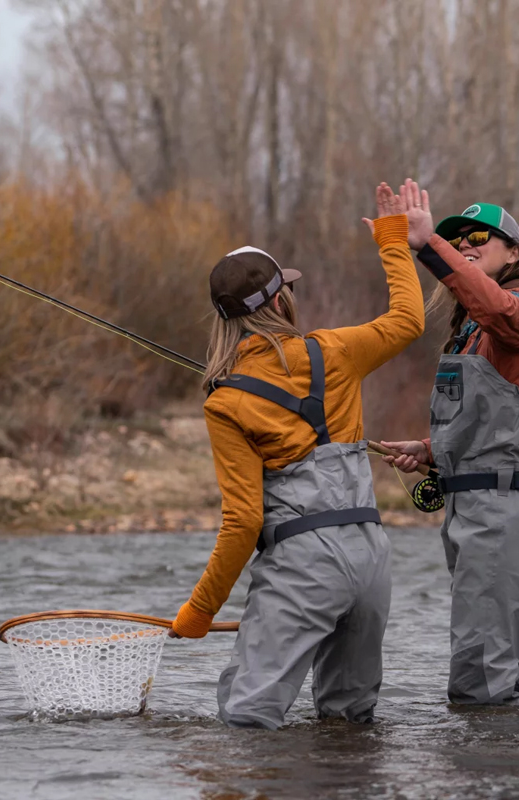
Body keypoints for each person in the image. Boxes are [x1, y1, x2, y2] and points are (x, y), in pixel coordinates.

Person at [170, 180, 426, 729]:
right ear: (283, 299)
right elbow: (409, 319)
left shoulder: (226, 403)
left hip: (304, 569)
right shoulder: (335, 350)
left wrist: (200, 611)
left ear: (226, 319)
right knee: (348, 724)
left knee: (246, 720)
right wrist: (391, 240)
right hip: (371, 557)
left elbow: (243, 523)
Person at [382, 189, 519, 704]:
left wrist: (427, 246)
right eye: (456, 237)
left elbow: (495, 304)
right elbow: (496, 424)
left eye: (480, 236)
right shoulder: (470, 328)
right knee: (485, 666)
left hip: (504, 509)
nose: (466, 242)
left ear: (514, 253)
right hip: (473, 509)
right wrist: (431, 450)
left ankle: (492, 777)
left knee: (479, 681)